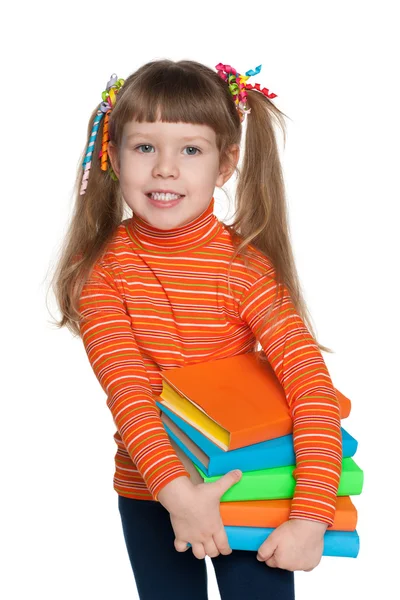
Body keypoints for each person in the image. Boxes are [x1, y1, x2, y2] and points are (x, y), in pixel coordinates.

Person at [50, 59, 343, 600]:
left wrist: (311, 517)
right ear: (113, 156)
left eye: (190, 149)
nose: (165, 169)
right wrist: (178, 496)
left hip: (251, 490)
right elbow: (129, 394)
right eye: (144, 147)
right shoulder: (101, 273)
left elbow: (311, 391)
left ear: (226, 163)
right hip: (151, 490)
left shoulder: (246, 269)